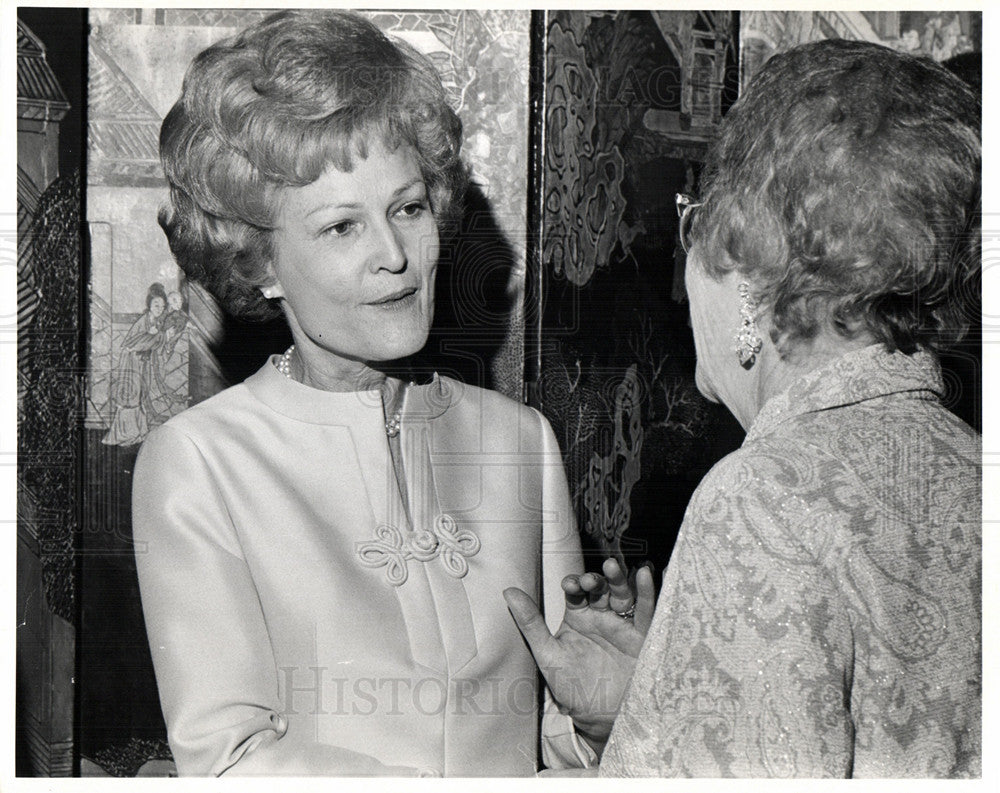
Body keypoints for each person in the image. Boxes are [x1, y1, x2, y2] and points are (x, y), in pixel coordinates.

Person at [506, 38, 981, 777]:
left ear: (748, 260)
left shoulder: (764, 500)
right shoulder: (971, 467)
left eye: (692, 222)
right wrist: (659, 706)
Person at [134, 10, 588, 777]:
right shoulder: (200, 463)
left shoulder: (521, 442)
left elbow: (551, 741)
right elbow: (230, 758)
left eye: (408, 208)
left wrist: (605, 724)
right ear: (258, 264)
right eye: (342, 227)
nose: (395, 257)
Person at [104, 282, 176, 445]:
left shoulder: (155, 321)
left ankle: (139, 430)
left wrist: (162, 337)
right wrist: (163, 336)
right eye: (156, 304)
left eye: (162, 306)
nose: (159, 308)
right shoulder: (144, 320)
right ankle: (125, 434)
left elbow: (153, 342)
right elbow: (138, 343)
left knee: (141, 392)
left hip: (141, 360)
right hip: (132, 359)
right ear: (149, 304)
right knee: (132, 394)